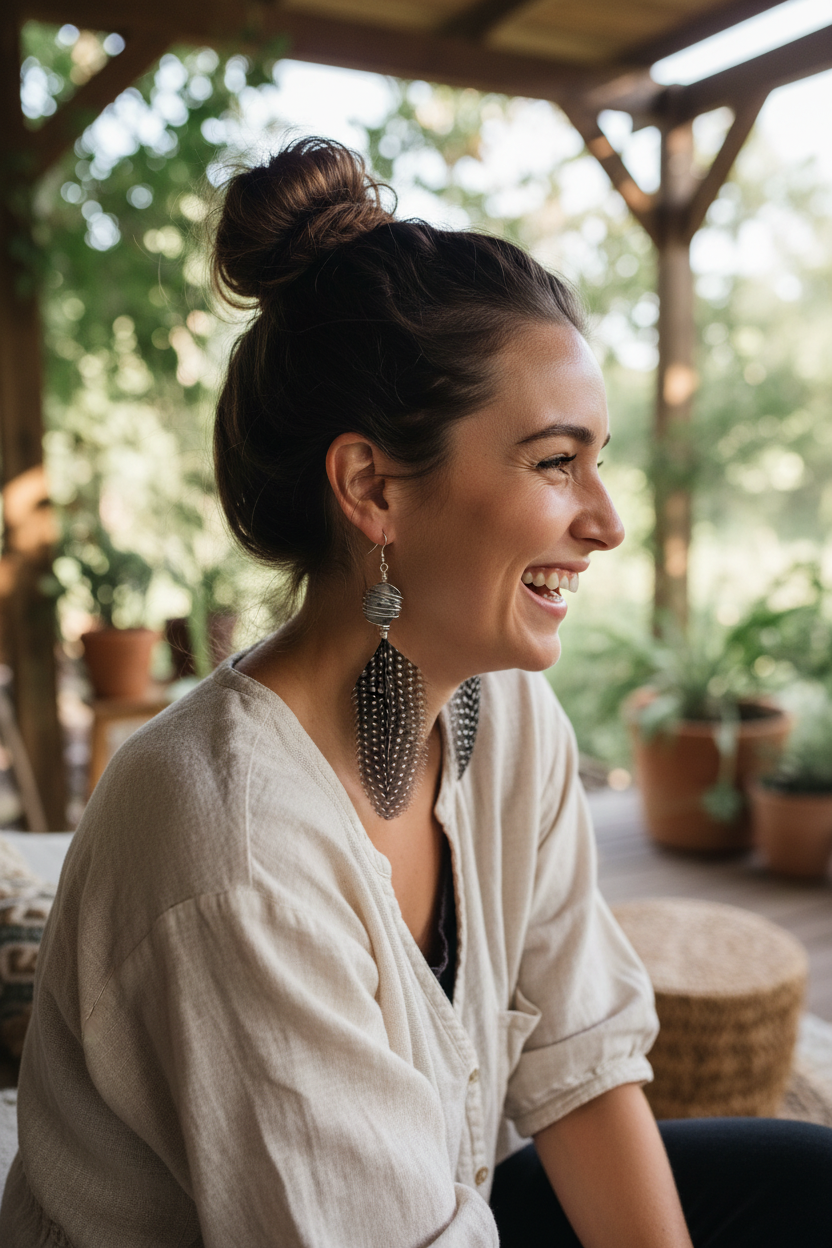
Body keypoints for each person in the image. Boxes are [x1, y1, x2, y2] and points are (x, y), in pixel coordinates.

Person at [1, 137, 830, 1248]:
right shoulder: (231, 848)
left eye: (598, 459)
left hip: (439, 1203)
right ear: (372, 487)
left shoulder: (508, 715)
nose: (605, 520)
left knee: (806, 1181)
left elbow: (577, 1063)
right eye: (552, 463)